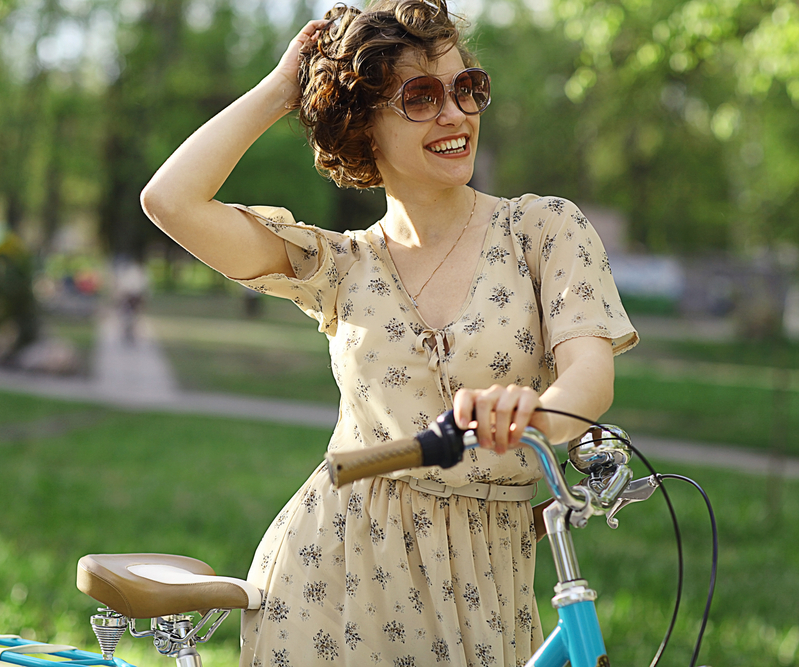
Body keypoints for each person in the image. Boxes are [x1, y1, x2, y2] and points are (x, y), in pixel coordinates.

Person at [141, 1, 638, 664]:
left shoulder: (543, 230)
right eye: (421, 96)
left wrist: (536, 414)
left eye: (468, 89)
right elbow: (169, 201)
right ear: (365, 124)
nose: (456, 114)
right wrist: (280, 91)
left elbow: (590, 378)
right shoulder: (338, 265)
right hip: (334, 578)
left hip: (489, 572)